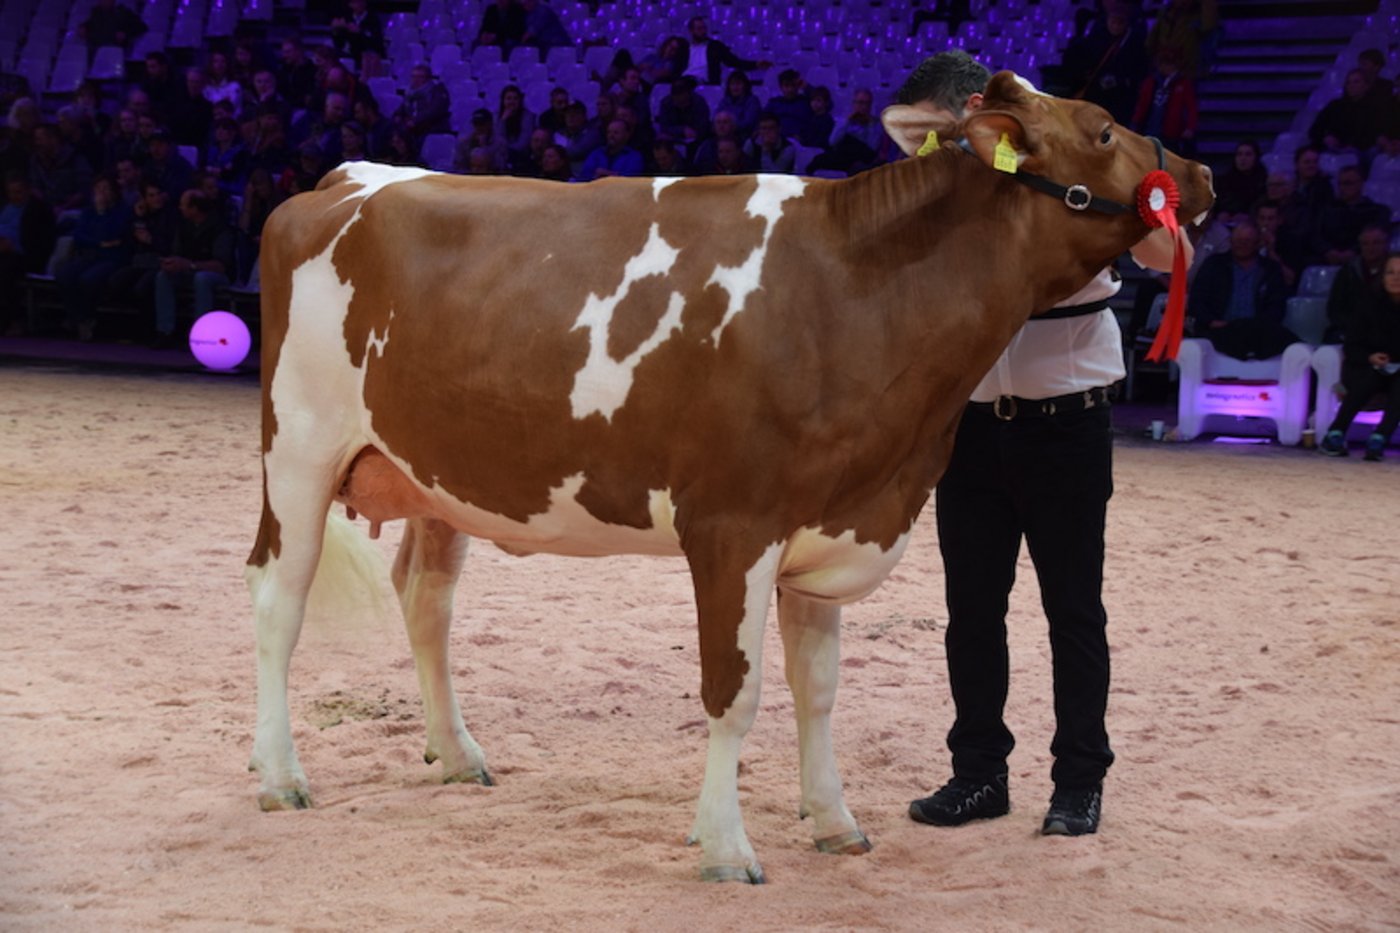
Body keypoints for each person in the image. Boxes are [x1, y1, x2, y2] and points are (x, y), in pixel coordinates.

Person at [896, 50, 1188, 837]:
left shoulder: (1069, 161)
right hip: (972, 425)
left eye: (939, 132)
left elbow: (1170, 254)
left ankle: (1079, 779)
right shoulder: (947, 195)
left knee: (1073, 609)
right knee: (971, 612)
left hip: (1067, 422)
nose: (933, 148)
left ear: (980, 114)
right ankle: (978, 774)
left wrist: (1150, 207)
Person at [1319, 253, 1400, 460]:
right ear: (1382, 276)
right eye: (1390, 272)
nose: (1395, 278)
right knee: (1370, 377)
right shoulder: (1367, 306)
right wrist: (1371, 357)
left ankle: (1380, 438)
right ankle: (1335, 433)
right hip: (1365, 365)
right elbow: (1352, 345)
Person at [1187, 220, 1294, 359]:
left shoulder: (1270, 269)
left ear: (1257, 243)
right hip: (1219, 330)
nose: (1241, 245)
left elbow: (1277, 305)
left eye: (1247, 241)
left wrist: (1260, 326)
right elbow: (1196, 300)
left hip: (1259, 332)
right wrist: (1211, 321)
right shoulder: (1214, 264)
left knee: (1291, 344)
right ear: (1231, 242)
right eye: (1238, 240)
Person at [151, 189, 235, 347]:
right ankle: (165, 331)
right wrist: (171, 262)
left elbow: (221, 265)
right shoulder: (183, 226)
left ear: (194, 208)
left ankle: (200, 332)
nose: (180, 208)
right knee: (163, 276)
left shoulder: (219, 228)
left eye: (183, 205)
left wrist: (190, 265)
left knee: (201, 278)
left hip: (216, 276)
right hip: (189, 271)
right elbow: (177, 254)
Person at [54, 176, 131, 340]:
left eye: (105, 188)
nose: (101, 193)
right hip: (90, 255)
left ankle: (86, 319)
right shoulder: (89, 211)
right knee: (64, 274)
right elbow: (79, 236)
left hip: (112, 258)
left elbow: (113, 234)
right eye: (98, 189)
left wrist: (102, 213)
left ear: (114, 191)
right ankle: (76, 318)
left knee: (88, 279)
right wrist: (99, 243)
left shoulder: (123, 211)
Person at [1060, 1, 1147, 125]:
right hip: (1094, 93)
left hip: (1119, 100)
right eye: (1113, 21)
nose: (1115, 26)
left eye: (1120, 22)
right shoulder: (1098, 36)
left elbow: (1138, 71)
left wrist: (1118, 80)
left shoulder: (1135, 42)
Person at [0, 171, 57, 335]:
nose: (14, 196)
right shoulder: (6, 208)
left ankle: (14, 320)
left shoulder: (38, 210)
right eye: (11, 192)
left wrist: (13, 247)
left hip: (27, 256)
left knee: (5, 269)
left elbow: (41, 243)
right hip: (5, 251)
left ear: (27, 190)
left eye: (18, 192)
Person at [1326, 224, 1392, 342]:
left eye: (1376, 243)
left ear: (1386, 244)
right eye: (1365, 244)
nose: (1371, 248)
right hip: (1352, 329)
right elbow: (1335, 309)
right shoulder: (1348, 271)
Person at [1314, 166, 1391, 266]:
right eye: (1341, 184)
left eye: (1348, 183)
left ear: (1361, 184)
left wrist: (1353, 251)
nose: (1343, 188)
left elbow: (1378, 238)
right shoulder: (1326, 210)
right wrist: (1328, 251)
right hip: (1328, 259)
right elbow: (1316, 236)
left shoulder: (1378, 211)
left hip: (1363, 259)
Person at [1131, 47, 1197, 158]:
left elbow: (1191, 108)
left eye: (1169, 63)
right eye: (1163, 63)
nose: (1165, 67)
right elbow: (1142, 104)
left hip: (1172, 132)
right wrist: (1135, 122)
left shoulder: (1184, 84)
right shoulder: (1150, 82)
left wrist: (1190, 127)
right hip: (1150, 128)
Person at [810, 87, 888, 175]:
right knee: (827, 155)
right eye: (861, 103)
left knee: (849, 141)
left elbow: (872, 148)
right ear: (854, 103)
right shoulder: (844, 121)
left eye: (867, 103)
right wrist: (847, 121)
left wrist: (869, 125)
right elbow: (832, 142)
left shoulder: (875, 124)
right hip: (844, 158)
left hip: (862, 158)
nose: (864, 107)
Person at [1309, 69, 1386, 156]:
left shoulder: (1376, 107)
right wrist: (1325, 138)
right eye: (1348, 82)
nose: (1351, 85)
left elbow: (1378, 134)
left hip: (1364, 151)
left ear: (1366, 86)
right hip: (1336, 150)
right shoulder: (1335, 105)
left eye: (1356, 82)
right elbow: (1314, 130)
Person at [680, 16, 769, 86]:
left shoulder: (715, 46)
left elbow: (733, 62)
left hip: (704, 83)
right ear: (691, 31)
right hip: (684, 80)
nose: (703, 31)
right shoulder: (684, 48)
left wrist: (755, 64)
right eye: (699, 29)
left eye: (704, 28)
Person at [1144, 0, 1219, 80]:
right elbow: (1150, 42)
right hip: (1162, 71)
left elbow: (1209, 28)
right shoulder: (1165, 12)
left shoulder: (1200, 14)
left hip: (1187, 74)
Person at [393, 65, 451, 157]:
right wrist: (398, 115)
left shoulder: (438, 91)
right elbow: (402, 107)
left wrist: (415, 121)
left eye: (420, 77)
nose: (416, 80)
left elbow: (434, 111)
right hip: (412, 129)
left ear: (428, 78)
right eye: (413, 76)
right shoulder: (410, 93)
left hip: (431, 128)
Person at [1212, 139, 1267, 225]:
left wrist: (1249, 216)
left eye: (1248, 154)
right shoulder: (1223, 180)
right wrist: (1220, 213)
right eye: (1239, 154)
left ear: (1256, 157)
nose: (1242, 158)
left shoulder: (1264, 181)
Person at [577, 118, 643, 180]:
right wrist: (594, 176)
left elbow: (630, 179)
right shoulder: (597, 153)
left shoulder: (634, 156)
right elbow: (584, 175)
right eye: (609, 132)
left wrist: (606, 174)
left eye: (616, 132)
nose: (611, 135)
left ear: (626, 135)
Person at [656, 75, 711, 149]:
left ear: (689, 95)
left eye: (683, 102)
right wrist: (682, 130)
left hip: (696, 140)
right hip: (673, 138)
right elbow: (664, 127)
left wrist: (693, 132)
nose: (681, 106)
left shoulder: (699, 102)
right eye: (678, 102)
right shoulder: (666, 103)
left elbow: (704, 126)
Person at [79, 0, 146, 55]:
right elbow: (90, 23)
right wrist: (84, 27)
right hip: (95, 48)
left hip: (114, 50)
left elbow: (141, 27)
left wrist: (125, 34)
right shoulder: (96, 12)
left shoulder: (122, 12)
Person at [453, 108, 508, 173]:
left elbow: (500, 167)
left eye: (482, 124)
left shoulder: (499, 143)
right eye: (476, 124)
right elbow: (458, 166)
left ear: (490, 124)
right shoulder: (464, 143)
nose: (478, 127)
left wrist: (485, 149)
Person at [766, 69, 813, 141]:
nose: (790, 89)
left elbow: (826, 104)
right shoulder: (774, 103)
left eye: (793, 85)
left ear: (798, 86)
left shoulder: (806, 102)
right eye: (786, 86)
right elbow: (763, 121)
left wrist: (806, 87)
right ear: (781, 87)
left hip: (801, 140)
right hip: (777, 139)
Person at [716, 69, 762, 140]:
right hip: (724, 135)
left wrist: (729, 126)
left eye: (738, 84)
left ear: (745, 85)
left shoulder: (752, 101)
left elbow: (748, 123)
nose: (735, 87)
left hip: (744, 136)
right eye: (732, 84)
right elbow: (716, 118)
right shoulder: (724, 101)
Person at [496, 84, 537, 158]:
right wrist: (503, 121)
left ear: (520, 101)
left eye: (515, 98)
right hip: (501, 153)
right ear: (503, 101)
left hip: (521, 154)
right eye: (508, 98)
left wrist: (508, 150)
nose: (512, 101)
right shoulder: (496, 116)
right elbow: (498, 139)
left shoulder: (528, 116)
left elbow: (523, 143)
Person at [800, 86, 835, 151]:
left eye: (818, 100)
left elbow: (822, 141)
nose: (814, 103)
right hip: (806, 149)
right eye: (813, 100)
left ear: (826, 103)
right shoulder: (810, 117)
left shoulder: (827, 120)